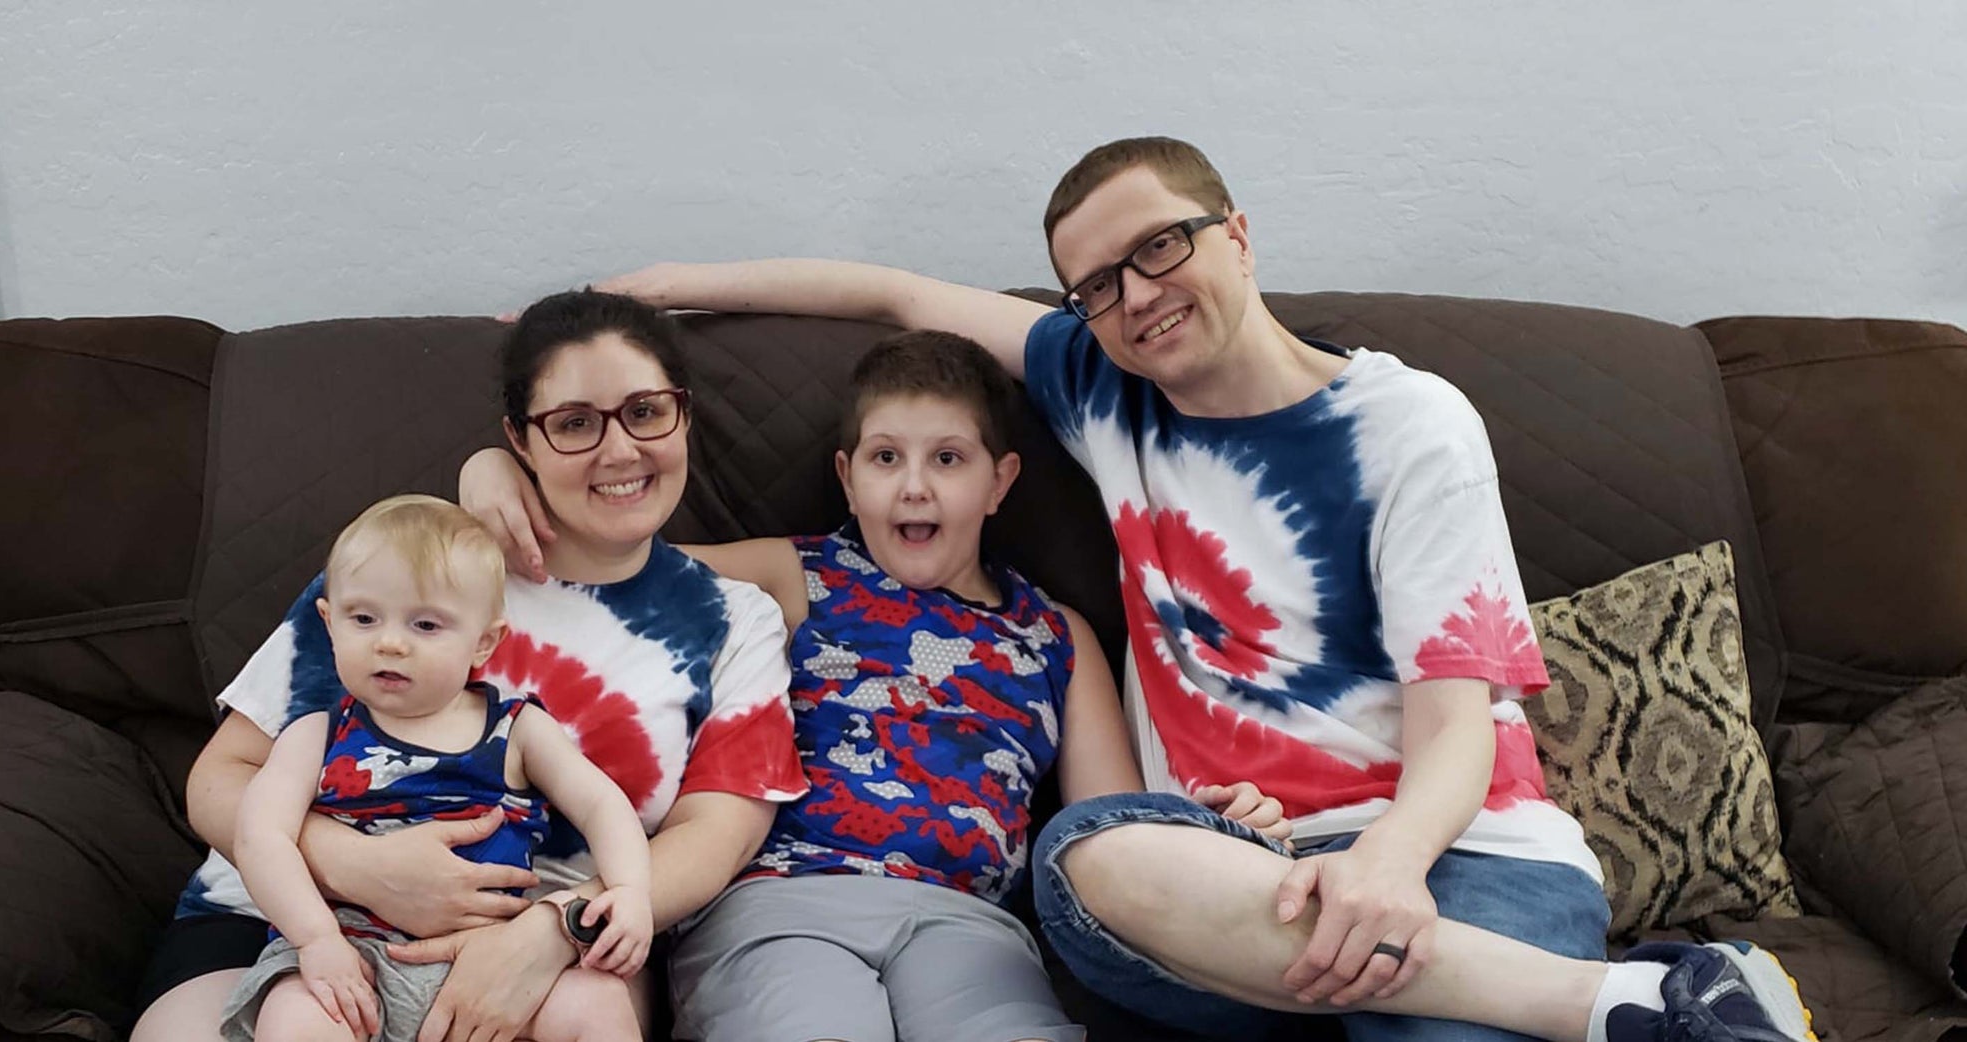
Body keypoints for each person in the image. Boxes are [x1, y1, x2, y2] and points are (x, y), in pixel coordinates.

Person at [462, 138, 1816, 1042]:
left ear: (1235, 229)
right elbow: (882, 292)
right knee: (1086, 850)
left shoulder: (1411, 425)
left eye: (1161, 249)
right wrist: (606, 337)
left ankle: (1615, 999)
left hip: (1451, 857)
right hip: (1210, 876)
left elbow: (1460, 721)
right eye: (1096, 284)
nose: (1135, 296)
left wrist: (1392, 866)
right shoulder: (1110, 396)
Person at [132, 290, 808, 1042]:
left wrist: (558, 928)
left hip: (550, 947)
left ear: (684, 415)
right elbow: (223, 775)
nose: (620, 450)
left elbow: (720, 832)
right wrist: (351, 865)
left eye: (646, 411)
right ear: (521, 440)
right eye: (575, 423)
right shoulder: (408, 564)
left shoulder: (729, 617)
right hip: (281, 919)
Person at [659, 329, 1288, 1042]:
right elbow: (604, 567)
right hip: (785, 899)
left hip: (968, 927)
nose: (914, 485)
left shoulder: (1058, 636)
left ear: (1000, 482)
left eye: (948, 459)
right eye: (885, 457)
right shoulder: (793, 575)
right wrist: (499, 473)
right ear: (847, 476)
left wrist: (1206, 828)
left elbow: (1109, 830)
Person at [220, 494, 653, 1042]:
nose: (391, 642)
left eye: (425, 624)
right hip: (352, 954)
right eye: (363, 618)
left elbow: (602, 805)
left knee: (597, 1001)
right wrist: (314, 939)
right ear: (328, 623)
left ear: (484, 641)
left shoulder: (516, 729)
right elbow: (260, 836)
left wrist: (631, 890)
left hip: (493, 958)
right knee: (298, 1017)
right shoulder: (316, 735)